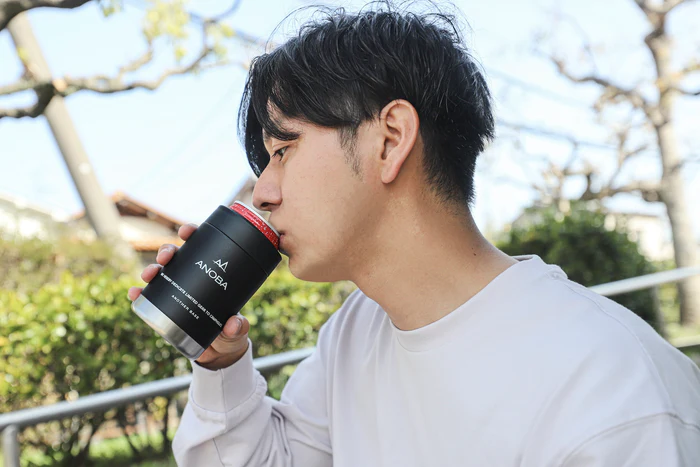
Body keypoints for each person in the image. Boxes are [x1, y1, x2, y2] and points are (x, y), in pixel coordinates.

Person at [128, 5, 700, 466]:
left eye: (283, 150)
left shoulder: (614, 396)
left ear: (391, 138)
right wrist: (221, 364)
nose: (264, 193)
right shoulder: (355, 331)